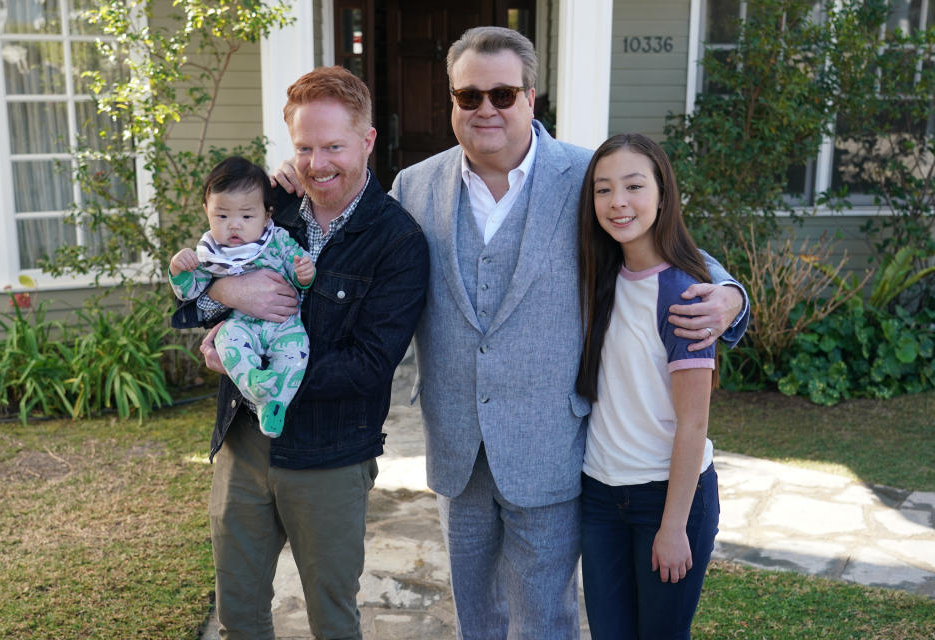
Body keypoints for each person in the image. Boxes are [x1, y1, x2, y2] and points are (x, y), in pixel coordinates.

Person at [274, 27, 748, 640]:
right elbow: (347, 231)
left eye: (502, 94)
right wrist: (294, 180)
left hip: (550, 442)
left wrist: (730, 296)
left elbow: (662, 239)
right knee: (477, 616)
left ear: (531, 98)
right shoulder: (416, 186)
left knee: (547, 618)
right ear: (452, 101)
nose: (485, 110)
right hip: (457, 446)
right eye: (468, 97)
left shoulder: (585, 177)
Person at [172, 66, 429, 640]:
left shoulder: (398, 242)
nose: (318, 164)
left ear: (366, 141)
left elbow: (369, 366)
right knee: (238, 614)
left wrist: (266, 380)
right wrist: (225, 291)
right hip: (244, 446)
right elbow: (196, 293)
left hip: (330, 456)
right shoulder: (271, 207)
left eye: (334, 146)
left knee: (333, 621)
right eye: (305, 147)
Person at [576, 133, 723, 639]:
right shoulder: (600, 276)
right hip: (599, 496)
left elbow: (694, 422)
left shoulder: (684, 294)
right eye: (603, 189)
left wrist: (674, 526)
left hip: (667, 498)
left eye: (634, 186)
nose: (618, 202)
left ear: (662, 193)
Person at [169, 156, 315, 437]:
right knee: (227, 340)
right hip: (241, 326)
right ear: (206, 211)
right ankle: (253, 382)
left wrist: (304, 273)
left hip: (285, 325)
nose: (234, 226)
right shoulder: (210, 253)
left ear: (267, 214)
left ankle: (274, 405)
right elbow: (191, 291)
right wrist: (178, 269)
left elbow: (299, 272)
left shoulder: (278, 240)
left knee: (297, 353)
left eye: (247, 216)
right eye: (222, 216)